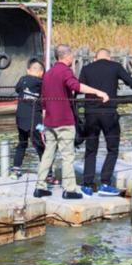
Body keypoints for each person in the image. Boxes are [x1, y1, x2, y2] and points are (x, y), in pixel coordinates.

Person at [77, 47, 132, 195]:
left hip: (91, 114)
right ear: (109, 57)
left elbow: (78, 88)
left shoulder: (87, 69)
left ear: (95, 57)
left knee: (90, 149)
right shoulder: (115, 67)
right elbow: (131, 82)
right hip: (109, 113)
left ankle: (87, 185)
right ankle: (105, 183)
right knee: (112, 149)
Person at [33, 45, 108, 200]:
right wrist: (97, 91)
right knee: (68, 156)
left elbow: (44, 100)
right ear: (66, 56)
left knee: (48, 154)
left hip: (49, 121)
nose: (72, 58)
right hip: (64, 121)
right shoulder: (65, 71)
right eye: (71, 56)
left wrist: (45, 119)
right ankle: (70, 189)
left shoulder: (48, 73)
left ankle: (39, 187)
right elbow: (76, 86)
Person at [13, 58, 45, 174]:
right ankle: (48, 172)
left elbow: (17, 90)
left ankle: (16, 169)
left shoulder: (22, 80)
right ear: (41, 72)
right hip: (35, 120)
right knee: (41, 144)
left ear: (28, 70)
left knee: (22, 143)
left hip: (20, 119)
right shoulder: (42, 83)